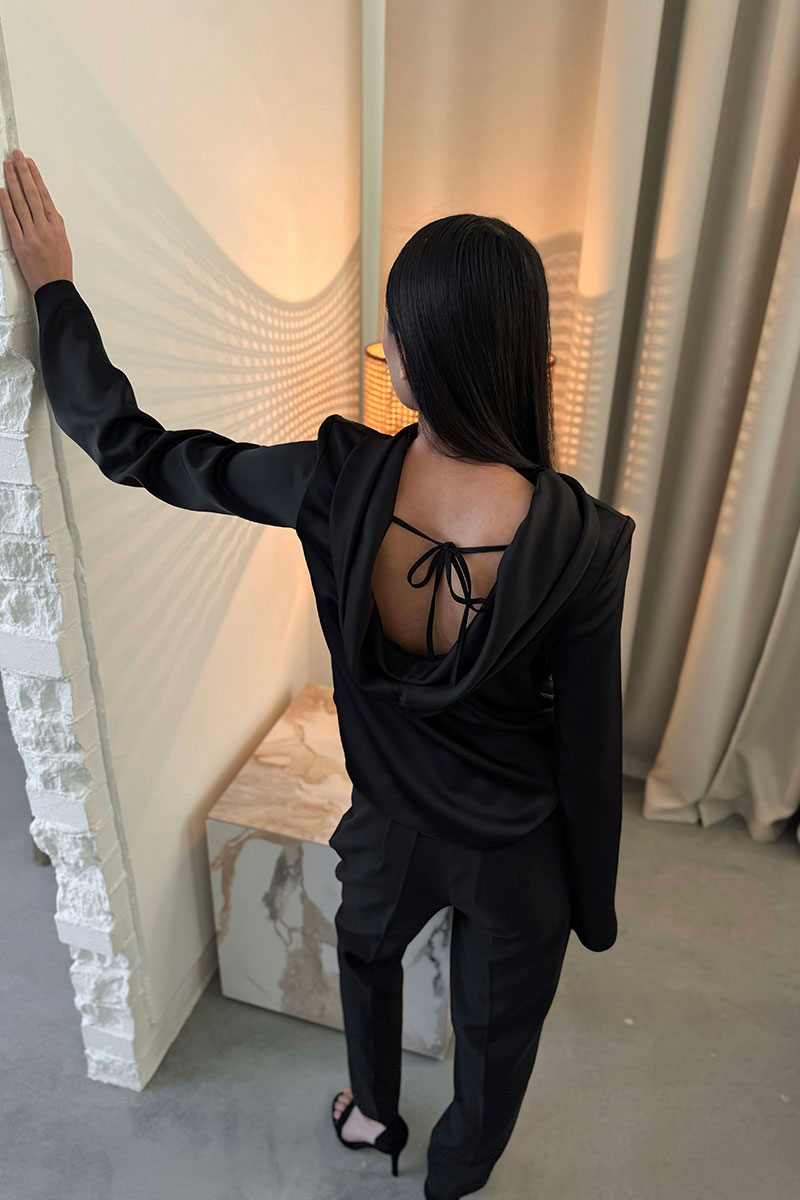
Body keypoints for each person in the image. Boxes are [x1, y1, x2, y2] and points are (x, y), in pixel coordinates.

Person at [1, 150, 635, 1200]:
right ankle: (454, 1177)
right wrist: (592, 905)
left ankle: (373, 1114)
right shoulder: (586, 539)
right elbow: (588, 745)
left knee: (366, 957)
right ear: (531, 362)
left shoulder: (336, 478)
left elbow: (135, 449)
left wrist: (56, 291)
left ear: (408, 363)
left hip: (388, 822)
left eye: (391, 332)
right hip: (518, 851)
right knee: (495, 1035)